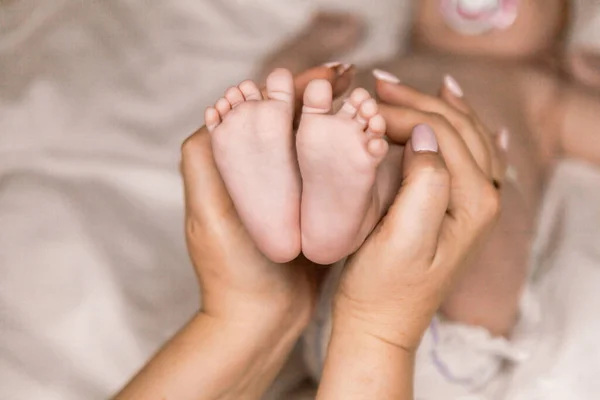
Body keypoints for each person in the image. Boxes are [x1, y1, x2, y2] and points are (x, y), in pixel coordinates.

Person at [113, 65, 500, 399]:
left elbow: (280, 76)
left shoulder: (536, 79)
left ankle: (324, 201)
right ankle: (329, 201)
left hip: (395, 301)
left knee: (380, 158)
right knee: (407, 167)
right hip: (406, 305)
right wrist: (380, 331)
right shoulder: (527, 80)